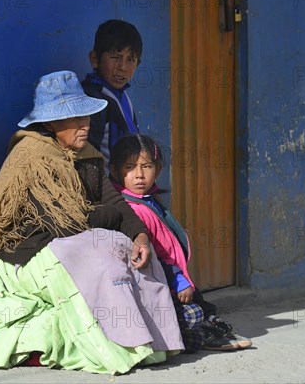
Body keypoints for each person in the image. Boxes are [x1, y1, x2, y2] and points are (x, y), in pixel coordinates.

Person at [0, 71, 184, 374]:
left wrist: (140, 236)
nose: (84, 125)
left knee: (131, 248)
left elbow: (114, 204)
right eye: (73, 118)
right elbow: (63, 221)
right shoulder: (32, 157)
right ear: (50, 124)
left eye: (86, 116)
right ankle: (119, 348)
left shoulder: (86, 155)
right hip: (23, 257)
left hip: (66, 241)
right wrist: (108, 216)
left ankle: (151, 343)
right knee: (101, 255)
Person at [108, 133, 252, 353]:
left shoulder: (149, 200)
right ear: (114, 171)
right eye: (130, 167)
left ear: (158, 169)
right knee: (192, 314)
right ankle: (202, 330)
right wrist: (175, 277)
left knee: (197, 304)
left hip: (174, 278)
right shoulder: (130, 209)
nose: (139, 175)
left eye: (146, 166)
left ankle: (208, 330)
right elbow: (153, 254)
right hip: (158, 281)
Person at [81, 19, 142, 165]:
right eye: (115, 57)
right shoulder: (91, 100)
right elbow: (87, 157)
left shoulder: (122, 96)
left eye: (131, 60)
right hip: (106, 185)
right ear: (95, 59)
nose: (123, 67)